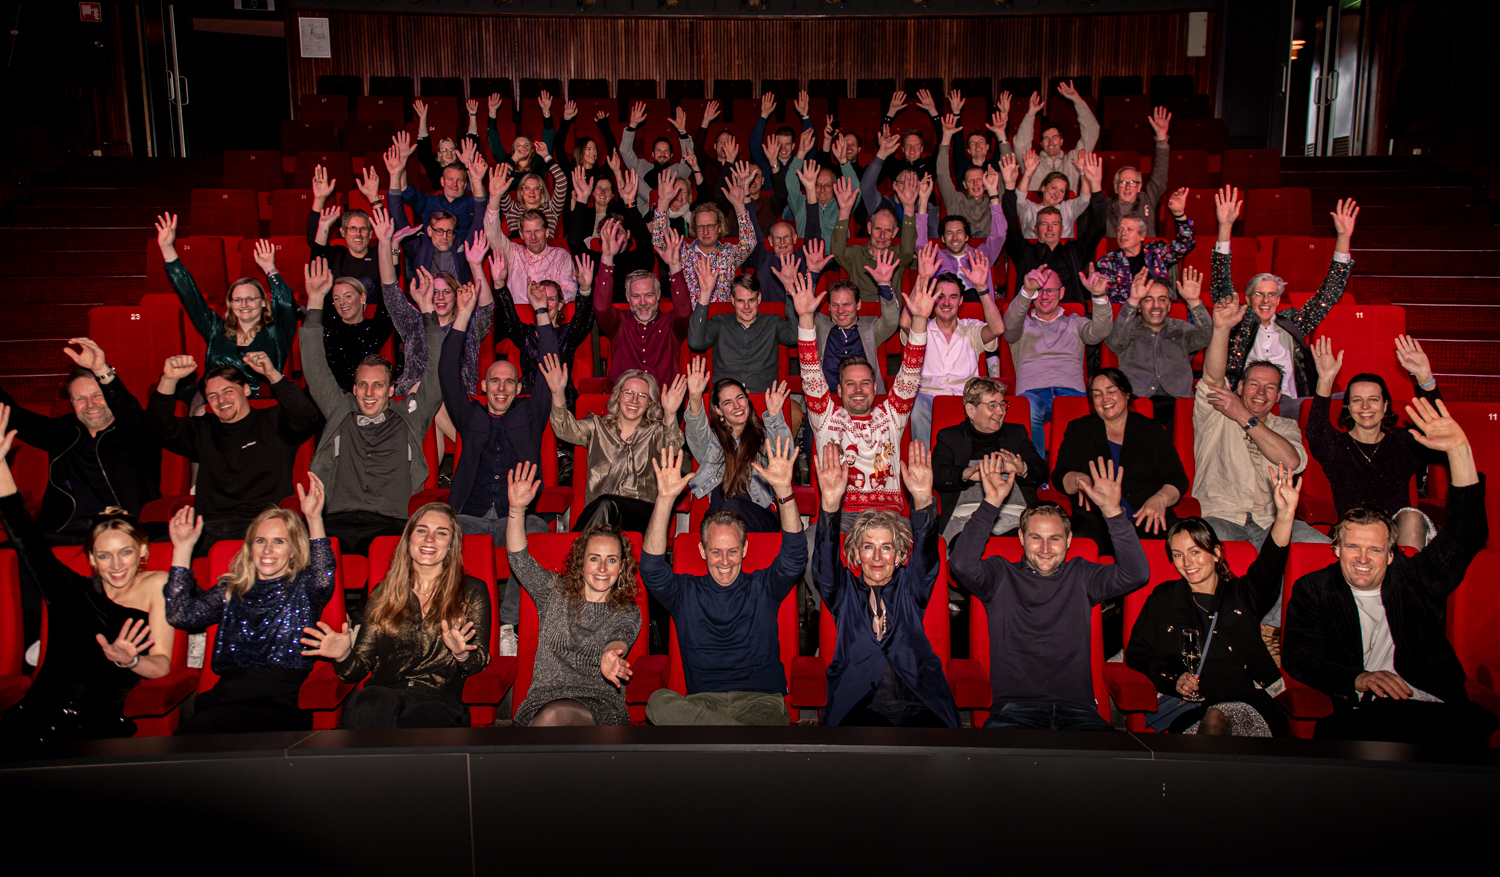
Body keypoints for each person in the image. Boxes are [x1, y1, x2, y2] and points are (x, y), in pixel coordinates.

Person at [1284, 398, 1500, 746]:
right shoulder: (1314, 589)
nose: (1363, 558)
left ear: (1390, 555)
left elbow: (1466, 534)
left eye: (1375, 549)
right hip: (1367, 713)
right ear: (1336, 549)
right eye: (1353, 547)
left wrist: (1459, 450)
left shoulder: (1414, 577)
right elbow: (1299, 655)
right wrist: (1358, 678)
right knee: (1338, 735)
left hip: (1432, 710)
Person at [0, 404, 173, 743]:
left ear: (142, 551)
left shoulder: (158, 585)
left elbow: (161, 665)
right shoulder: (67, 588)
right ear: (92, 559)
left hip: (96, 725)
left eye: (125, 552)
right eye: (104, 556)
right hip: (36, 716)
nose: (116, 564)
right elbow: (23, 534)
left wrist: (130, 660)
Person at [950, 456, 1149, 730]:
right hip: (1014, 714)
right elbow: (961, 565)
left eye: (1054, 539)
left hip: (1080, 714)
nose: (1045, 549)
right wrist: (991, 503)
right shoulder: (1000, 575)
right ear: (1022, 538)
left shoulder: (1082, 574)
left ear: (1068, 541)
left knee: (1118, 758)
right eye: (1036, 538)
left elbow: (1136, 574)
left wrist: (1113, 512)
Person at [1125, 466, 1302, 736]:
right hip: (1193, 708)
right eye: (1178, 555)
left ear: (1216, 553)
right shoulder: (1164, 598)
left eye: (1195, 551)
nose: (1187, 562)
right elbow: (1138, 652)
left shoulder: (1241, 594)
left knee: (1217, 719)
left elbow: (1269, 566)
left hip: (1249, 704)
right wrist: (1174, 678)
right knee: (1209, 721)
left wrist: (1285, 516)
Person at [641, 440, 806, 726]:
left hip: (760, 702)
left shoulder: (763, 586)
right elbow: (652, 569)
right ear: (703, 551)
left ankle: (722, 743)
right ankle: (740, 742)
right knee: (658, 702)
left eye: (732, 551)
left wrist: (784, 493)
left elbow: (795, 556)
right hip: (703, 703)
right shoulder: (685, 593)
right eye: (716, 552)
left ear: (744, 549)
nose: (725, 561)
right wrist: (665, 500)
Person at [165, 476, 335, 734]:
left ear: (293, 550)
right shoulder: (231, 590)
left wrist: (314, 519)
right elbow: (180, 615)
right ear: (250, 547)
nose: (267, 549)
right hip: (226, 699)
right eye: (260, 540)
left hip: (280, 704)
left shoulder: (304, 586)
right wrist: (182, 549)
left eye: (279, 541)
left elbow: (323, 577)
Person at [442, 281, 558, 655]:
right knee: (437, 530)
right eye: (495, 381)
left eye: (510, 382)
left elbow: (550, 365)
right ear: (484, 385)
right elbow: (447, 371)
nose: (502, 388)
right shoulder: (469, 415)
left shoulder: (530, 415)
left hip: (516, 520)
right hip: (471, 517)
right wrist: (463, 314)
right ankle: (453, 622)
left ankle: (508, 624)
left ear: (519, 387)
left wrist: (541, 312)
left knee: (539, 533)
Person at [300, 258, 446, 555]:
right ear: (353, 389)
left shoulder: (409, 417)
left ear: (391, 390)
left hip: (391, 526)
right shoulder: (340, 411)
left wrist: (427, 310)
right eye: (362, 385)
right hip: (337, 523)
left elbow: (438, 373)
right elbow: (315, 369)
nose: (369, 393)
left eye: (378, 385)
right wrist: (315, 300)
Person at [304, 502, 491, 730]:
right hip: (383, 693)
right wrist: (343, 656)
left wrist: (461, 654)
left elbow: (478, 662)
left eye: (441, 533)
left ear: (452, 545)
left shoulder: (471, 591)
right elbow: (357, 669)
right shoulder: (382, 593)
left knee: (419, 722)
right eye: (421, 530)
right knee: (368, 706)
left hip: (439, 698)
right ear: (408, 539)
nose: (429, 539)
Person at [812, 440, 959, 727]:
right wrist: (829, 505)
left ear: (900, 555)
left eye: (887, 548)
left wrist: (922, 499)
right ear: (856, 554)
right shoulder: (844, 592)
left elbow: (927, 554)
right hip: (858, 706)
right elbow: (824, 565)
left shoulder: (911, 587)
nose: (877, 557)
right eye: (868, 547)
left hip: (919, 703)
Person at [503, 462, 641, 726]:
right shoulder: (554, 593)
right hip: (543, 701)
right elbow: (519, 559)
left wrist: (610, 656)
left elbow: (619, 639)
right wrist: (517, 509)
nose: (602, 568)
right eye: (594, 558)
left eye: (611, 560)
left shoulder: (626, 610)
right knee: (550, 715)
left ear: (622, 566)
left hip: (598, 704)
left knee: (553, 717)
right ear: (581, 562)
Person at [148, 353, 321, 556]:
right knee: (152, 554)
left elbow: (306, 416)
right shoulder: (203, 429)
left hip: (262, 526)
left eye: (228, 391)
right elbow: (157, 428)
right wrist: (169, 380)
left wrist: (272, 375)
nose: (221, 400)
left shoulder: (274, 421)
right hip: (209, 527)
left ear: (246, 389)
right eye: (213, 396)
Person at [1194, 293, 1326, 552]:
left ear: (1278, 396)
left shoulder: (1285, 427)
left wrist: (1243, 415)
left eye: (1270, 388)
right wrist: (1221, 329)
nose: (1261, 393)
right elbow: (1212, 376)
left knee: (1322, 548)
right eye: (1254, 384)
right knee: (1209, 544)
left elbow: (1292, 462)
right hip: (1222, 517)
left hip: (1271, 522)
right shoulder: (1217, 412)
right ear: (1241, 387)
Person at [794, 271, 929, 517]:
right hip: (841, 516)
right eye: (850, 384)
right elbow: (810, 369)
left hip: (887, 518)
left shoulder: (891, 417)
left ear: (875, 388)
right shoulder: (825, 418)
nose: (858, 390)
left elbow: (911, 371)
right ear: (838, 389)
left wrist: (919, 320)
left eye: (865, 383)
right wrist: (804, 317)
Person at [0, 339, 160, 542]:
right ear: (71, 403)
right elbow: (15, 417)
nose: (90, 405)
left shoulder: (136, 431)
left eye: (97, 395)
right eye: (80, 399)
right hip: (64, 533)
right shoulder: (65, 431)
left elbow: (131, 412)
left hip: (123, 530)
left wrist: (101, 370)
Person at [1213, 190, 1359, 404]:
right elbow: (1221, 284)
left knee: (1350, 398)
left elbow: (1330, 293)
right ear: (1248, 299)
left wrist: (1344, 238)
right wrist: (1225, 227)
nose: (1266, 301)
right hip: (1245, 404)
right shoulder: (1237, 325)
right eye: (1259, 294)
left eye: (1272, 295)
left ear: (1279, 300)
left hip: (1289, 405)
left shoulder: (1292, 324)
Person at [1308, 336, 1444, 548]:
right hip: (1353, 535)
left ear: (1385, 405)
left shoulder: (1402, 444)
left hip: (1396, 537)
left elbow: (1435, 429)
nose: (1365, 407)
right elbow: (1316, 430)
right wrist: (1325, 380)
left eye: (1373, 400)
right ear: (1348, 407)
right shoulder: (1335, 447)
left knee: (1412, 517)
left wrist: (1425, 377)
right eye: (1357, 400)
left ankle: (1404, 571)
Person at [1052, 369, 1191, 556]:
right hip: (1095, 518)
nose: (1105, 399)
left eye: (1111, 391)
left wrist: (1160, 499)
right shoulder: (1079, 429)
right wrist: (1079, 479)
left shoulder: (1152, 430)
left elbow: (1177, 478)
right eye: (1097, 394)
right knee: (1078, 540)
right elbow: (1060, 474)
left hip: (1145, 515)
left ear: (1126, 394)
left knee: (1163, 544)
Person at [154, 213, 297, 395]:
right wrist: (167, 250)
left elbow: (286, 304)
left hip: (256, 403)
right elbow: (189, 295)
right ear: (230, 304)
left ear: (263, 302)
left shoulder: (276, 333)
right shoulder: (216, 329)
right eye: (237, 300)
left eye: (250, 299)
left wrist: (270, 269)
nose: (244, 304)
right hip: (213, 398)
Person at [544, 354, 686, 534]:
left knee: (606, 504)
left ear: (650, 403)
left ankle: (573, 548)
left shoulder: (656, 431)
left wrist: (670, 414)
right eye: (628, 393)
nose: (634, 400)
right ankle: (578, 547)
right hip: (600, 512)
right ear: (618, 396)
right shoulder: (596, 427)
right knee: (604, 505)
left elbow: (673, 447)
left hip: (643, 515)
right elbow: (564, 430)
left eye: (642, 396)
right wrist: (557, 393)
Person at [373, 204, 494, 398]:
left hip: (457, 403)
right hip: (414, 402)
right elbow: (389, 290)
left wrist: (475, 265)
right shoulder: (413, 322)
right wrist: (384, 243)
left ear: (456, 295)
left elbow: (486, 307)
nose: (440, 297)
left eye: (447, 291)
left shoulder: (468, 326)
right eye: (435, 292)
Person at [1002, 265, 1114, 460]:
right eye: (1039, 290)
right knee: (1027, 408)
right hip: (1034, 395)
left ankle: (1079, 471)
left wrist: (1099, 296)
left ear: (1061, 293)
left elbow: (1099, 333)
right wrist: (1026, 291)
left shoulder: (1075, 321)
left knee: (1095, 411)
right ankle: (1035, 470)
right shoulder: (1022, 325)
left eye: (1050, 290)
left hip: (1073, 394)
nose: (1044, 296)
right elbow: (1009, 328)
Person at [901, 257, 1005, 448]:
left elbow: (997, 328)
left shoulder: (971, 328)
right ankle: (926, 461)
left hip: (965, 399)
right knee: (916, 405)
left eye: (953, 297)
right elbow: (905, 323)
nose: (946, 302)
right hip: (928, 397)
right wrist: (922, 278)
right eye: (940, 296)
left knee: (985, 405)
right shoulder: (922, 326)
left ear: (961, 300)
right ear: (933, 299)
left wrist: (982, 288)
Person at [684, 358, 795, 533]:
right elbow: (696, 430)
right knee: (721, 510)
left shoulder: (764, 437)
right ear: (718, 410)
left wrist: (775, 416)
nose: (737, 406)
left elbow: (786, 458)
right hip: (720, 517)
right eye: (727, 402)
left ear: (748, 399)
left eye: (740, 398)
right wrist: (695, 397)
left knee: (727, 509)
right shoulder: (712, 444)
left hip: (759, 517)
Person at [932, 377, 1047, 542]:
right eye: (992, 405)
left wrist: (1022, 469)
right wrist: (964, 474)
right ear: (971, 410)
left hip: (1017, 518)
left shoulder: (1016, 434)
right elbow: (937, 474)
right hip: (965, 519)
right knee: (969, 543)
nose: (1000, 412)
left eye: (1002, 404)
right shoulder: (950, 437)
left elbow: (1042, 471)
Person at [1105, 265, 1213, 427]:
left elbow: (1207, 337)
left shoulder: (1181, 328)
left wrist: (1194, 302)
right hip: (1138, 401)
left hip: (1177, 402)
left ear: (1169, 306)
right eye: (1148, 300)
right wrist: (1132, 301)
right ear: (1139, 306)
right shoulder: (1128, 329)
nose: (1156, 305)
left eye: (1162, 299)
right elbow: (1114, 343)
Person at [1000, 152, 1109, 303]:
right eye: (1044, 224)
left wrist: (1096, 186)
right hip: (1031, 314)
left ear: (1062, 229)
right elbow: (1009, 224)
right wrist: (1009, 187)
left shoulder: (1074, 253)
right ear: (1036, 229)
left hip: (1069, 313)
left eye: (1055, 224)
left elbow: (1097, 228)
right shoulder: (1024, 252)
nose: (1050, 229)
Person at [492, 256, 596, 409]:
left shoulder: (568, 333)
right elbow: (508, 315)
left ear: (560, 304)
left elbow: (583, 318)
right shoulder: (525, 333)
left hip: (561, 401)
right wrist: (500, 284)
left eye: (551, 299)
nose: (546, 303)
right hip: (529, 400)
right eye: (541, 298)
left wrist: (585, 289)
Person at [594, 227, 694, 386]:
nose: (642, 303)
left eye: (648, 295)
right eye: (636, 296)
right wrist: (607, 257)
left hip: (663, 397)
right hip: (623, 398)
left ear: (658, 295)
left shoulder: (670, 324)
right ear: (628, 297)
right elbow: (601, 308)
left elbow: (684, 313)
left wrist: (674, 265)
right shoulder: (619, 323)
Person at [794, 257, 901, 397]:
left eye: (846, 304)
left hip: (863, 398)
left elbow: (891, 322)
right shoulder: (820, 324)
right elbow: (805, 309)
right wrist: (813, 274)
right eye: (835, 305)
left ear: (858, 304)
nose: (840, 310)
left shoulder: (870, 327)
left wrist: (884, 285)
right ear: (829, 307)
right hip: (825, 399)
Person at [687, 260, 797, 394]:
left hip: (763, 397)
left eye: (751, 300)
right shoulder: (720, 322)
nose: (746, 307)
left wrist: (790, 289)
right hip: (726, 398)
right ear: (732, 300)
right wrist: (705, 293)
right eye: (740, 301)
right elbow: (696, 343)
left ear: (759, 298)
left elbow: (794, 337)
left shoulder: (773, 323)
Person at [649, 170, 756, 305]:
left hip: (719, 315)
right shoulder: (682, 251)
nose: (705, 231)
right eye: (700, 227)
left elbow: (749, 244)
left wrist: (739, 206)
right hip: (689, 315)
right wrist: (663, 203)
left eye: (710, 226)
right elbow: (658, 242)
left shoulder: (728, 253)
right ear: (694, 228)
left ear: (719, 227)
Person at [486, 169, 578, 303]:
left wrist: (547, 302)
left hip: (552, 313)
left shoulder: (561, 256)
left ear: (547, 232)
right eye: (528, 232)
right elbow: (492, 235)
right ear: (521, 234)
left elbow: (570, 290)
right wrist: (494, 198)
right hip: (518, 314)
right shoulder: (513, 253)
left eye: (538, 231)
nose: (533, 237)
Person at [914, 171, 1008, 300]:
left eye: (959, 232)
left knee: (972, 294)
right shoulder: (936, 257)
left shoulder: (981, 255)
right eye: (949, 233)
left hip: (977, 307)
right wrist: (923, 200)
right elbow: (919, 243)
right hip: (944, 306)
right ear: (943, 239)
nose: (954, 237)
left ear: (967, 237)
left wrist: (993, 193)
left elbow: (999, 235)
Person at [1094, 187, 1195, 302]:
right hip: (1128, 310)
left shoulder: (1156, 253)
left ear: (1142, 235)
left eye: (1129, 229)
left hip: (1159, 307)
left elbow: (1185, 244)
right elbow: (1112, 299)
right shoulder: (1107, 263)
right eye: (1120, 229)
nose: (1123, 233)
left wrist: (1179, 214)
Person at [387, 131, 487, 241]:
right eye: (450, 179)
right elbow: (404, 189)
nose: (454, 184)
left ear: (465, 185)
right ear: (442, 182)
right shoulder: (428, 202)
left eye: (459, 180)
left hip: (464, 250)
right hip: (432, 250)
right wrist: (402, 161)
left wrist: (469, 167)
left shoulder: (471, 203)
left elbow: (481, 200)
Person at [831, 176, 918, 302]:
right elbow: (837, 251)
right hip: (861, 313)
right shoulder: (856, 254)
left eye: (887, 230)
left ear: (894, 233)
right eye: (878, 229)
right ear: (869, 228)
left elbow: (908, 248)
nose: (882, 236)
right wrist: (844, 211)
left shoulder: (898, 256)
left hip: (890, 313)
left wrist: (909, 207)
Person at [310, 269, 394, 393]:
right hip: (327, 393)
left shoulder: (375, 328)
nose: (342, 302)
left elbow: (389, 291)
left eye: (348, 296)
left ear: (362, 297)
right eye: (336, 298)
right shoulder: (328, 327)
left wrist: (393, 262)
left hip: (361, 394)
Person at [1011, 81, 1100, 194]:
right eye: (1046, 138)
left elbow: (1092, 131)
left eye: (1055, 137)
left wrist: (1077, 100)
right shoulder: (1031, 162)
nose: (1051, 142)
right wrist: (1031, 113)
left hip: (1067, 205)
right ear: (1041, 143)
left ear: (1062, 141)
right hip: (1037, 205)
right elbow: (1020, 145)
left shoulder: (1074, 160)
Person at [308, 164, 380, 297]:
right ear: (342, 232)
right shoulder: (336, 255)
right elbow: (315, 246)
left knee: (367, 283)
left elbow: (390, 239)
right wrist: (319, 200)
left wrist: (374, 198)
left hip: (369, 309)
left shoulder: (379, 255)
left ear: (371, 234)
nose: (358, 234)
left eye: (363, 229)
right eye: (352, 229)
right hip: (336, 307)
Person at [1105, 107, 1173, 237]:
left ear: (1139, 186)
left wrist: (1161, 139)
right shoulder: (1105, 207)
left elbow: (1160, 176)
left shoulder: (1146, 200)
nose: (1127, 187)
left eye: (1132, 182)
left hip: (1145, 250)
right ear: (1115, 187)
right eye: (1123, 182)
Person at [933, 113, 1001, 238]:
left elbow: (1006, 170)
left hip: (989, 248)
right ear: (964, 184)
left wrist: (1001, 134)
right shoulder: (956, 200)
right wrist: (946, 137)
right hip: (962, 247)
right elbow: (942, 174)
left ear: (985, 181)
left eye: (979, 179)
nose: (975, 183)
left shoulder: (994, 200)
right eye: (971, 180)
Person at [411, 97, 482, 189]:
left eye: (452, 150)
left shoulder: (463, 165)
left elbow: (472, 144)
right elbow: (424, 150)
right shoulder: (434, 168)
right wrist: (422, 118)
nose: (449, 153)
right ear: (439, 153)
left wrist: (472, 115)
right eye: (445, 150)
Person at [1015, 157, 1091, 240]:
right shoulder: (1029, 208)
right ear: (1043, 188)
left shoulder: (1069, 208)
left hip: (1064, 248)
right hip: (1033, 248)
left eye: (1062, 191)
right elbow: (1018, 198)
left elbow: (1085, 199)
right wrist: (1028, 172)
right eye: (1054, 188)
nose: (1056, 194)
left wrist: (1083, 172)